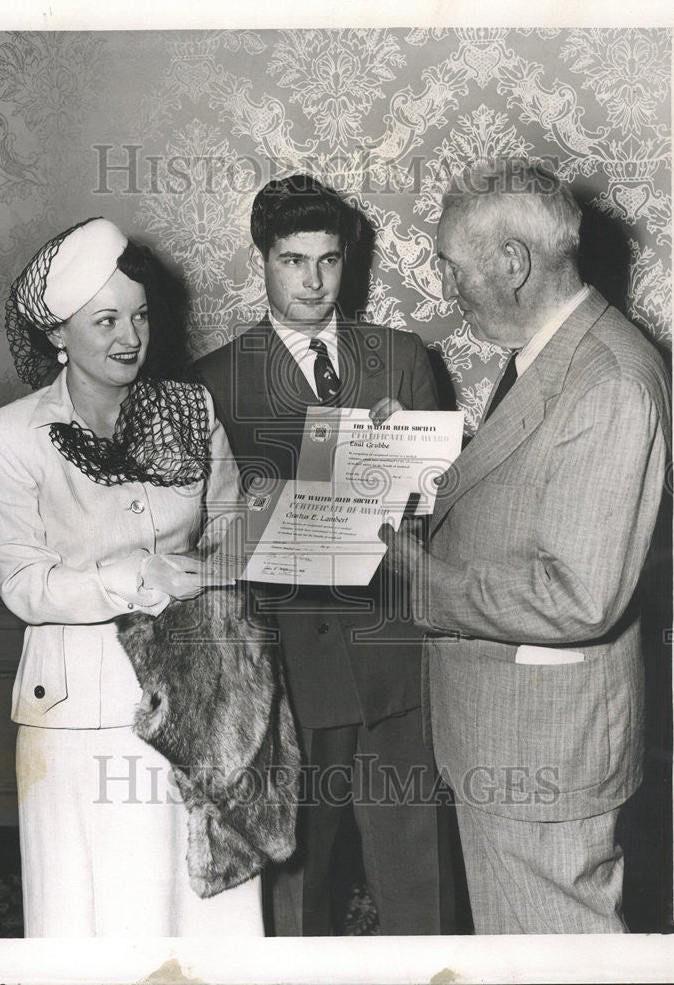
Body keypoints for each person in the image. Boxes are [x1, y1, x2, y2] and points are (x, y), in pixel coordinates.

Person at [382, 159, 671, 934]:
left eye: (451, 264)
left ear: (512, 263)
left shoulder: (607, 379)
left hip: (541, 755)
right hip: (512, 743)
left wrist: (423, 584)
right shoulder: (550, 355)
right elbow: (530, 494)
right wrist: (420, 457)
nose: (447, 287)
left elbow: (578, 593)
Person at [0, 217, 264, 937]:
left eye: (138, 315)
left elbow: (226, 522)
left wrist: (260, 536)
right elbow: (21, 582)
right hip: (79, 720)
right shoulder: (10, 436)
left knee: (203, 912)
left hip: (198, 700)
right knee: (99, 914)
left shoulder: (189, 409)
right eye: (104, 321)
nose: (128, 337)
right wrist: (140, 576)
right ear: (56, 336)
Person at [195, 174, 458, 936]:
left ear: (349, 262)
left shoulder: (403, 359)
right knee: (296, 877)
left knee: (420, 876)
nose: (313, 281)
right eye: (292, 260)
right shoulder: (214, 380)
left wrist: (406, 452)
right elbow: (208, 534)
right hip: (291, 663)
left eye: (329, 260)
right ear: (262, 261)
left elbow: (444, 506)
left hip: (395, 654)